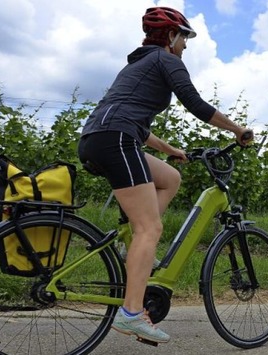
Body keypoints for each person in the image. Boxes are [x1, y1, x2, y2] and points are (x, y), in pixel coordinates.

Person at [77, 6, 253, 344]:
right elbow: (196, 104)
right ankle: (131, 314)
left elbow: (133, 122)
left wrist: (170, 150)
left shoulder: (136, 65)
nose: (185, 46)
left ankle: (136, 250)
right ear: (172, 36)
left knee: (170, 177)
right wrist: (237, 129)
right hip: (117, 140)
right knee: (150, 227)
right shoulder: (167, 60)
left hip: (98, 139)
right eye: (184, 38)